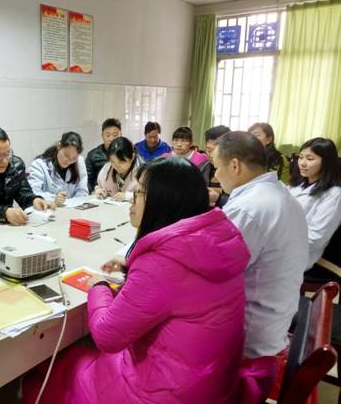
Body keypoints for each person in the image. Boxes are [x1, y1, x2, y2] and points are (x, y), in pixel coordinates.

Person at [23, 157, 250, 404]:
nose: (131, 201)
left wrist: (99, 287)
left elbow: (107, 336)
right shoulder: (215, 243)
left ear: (162, 201)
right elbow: (179, 292)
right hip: (213, 385)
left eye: (139, 193)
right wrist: (132, 269)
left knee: (52, 368)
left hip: (164, 392)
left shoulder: (160, 263)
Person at [213, 131, 308, 360]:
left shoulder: (249, 208)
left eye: (216, 167)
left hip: (251, 337)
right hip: (274, 319)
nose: (215, 174)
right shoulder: (278, 194)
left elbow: (215, 269)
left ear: (234, 165)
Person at [288, 138, 341, 271]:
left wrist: (280, 238)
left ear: (327, 162)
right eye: (301, 157)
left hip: (300, 254)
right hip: (280, 243)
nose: (302, 163)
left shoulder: (333, 194)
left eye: (310, 159)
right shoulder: (297, 184)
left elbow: (316, 238)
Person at [27, 132, 88, 207]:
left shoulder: (79, 161)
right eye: (66, 155)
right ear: (59, 146)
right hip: (48, 210)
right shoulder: (39, 164)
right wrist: (53, 199)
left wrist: (73, 204)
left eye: (73, 159)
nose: (68, 161)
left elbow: (82, 191)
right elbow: (33, 192)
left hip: (72, 209)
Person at [94, 137, 142, 201]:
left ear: (132, 157)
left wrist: (128, 196)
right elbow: (99, 186)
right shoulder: (107, 168)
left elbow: (148, 196)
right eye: (113, 162)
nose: (117, 166)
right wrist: (100, 191)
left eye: (121, 162)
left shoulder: (143, 171)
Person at [85, 118, 122, 192]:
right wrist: (94, 192)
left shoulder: (127, 153)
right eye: (108, 135)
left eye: (115, 135)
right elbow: (88, 181)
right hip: (100, 192)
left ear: (121, 135)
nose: (111, 139)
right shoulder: (93, 155)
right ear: (102, 135)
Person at [201, 125, 231, 207]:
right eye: (209, 150)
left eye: (216, 150)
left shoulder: (237, 171)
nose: (212, 155)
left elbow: (240, 202)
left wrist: (218, 199)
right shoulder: (202, 168)